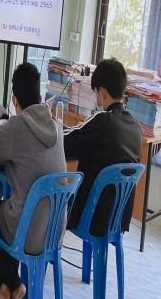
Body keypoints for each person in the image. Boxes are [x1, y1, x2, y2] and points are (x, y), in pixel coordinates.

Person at [0, 62, 66, 299]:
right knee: (2, 214)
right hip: (55, 231)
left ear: (14, 100)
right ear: (40, 97)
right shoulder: (57, 127)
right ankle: (5, 287)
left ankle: (11, 285)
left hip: (29, 232)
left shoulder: (16, 126)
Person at [64, 58, 142, 236]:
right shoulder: (135, 126)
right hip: (118, 218)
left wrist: (52, 126)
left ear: (102, 92)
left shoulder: (102, 120)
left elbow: (65, 141)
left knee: (51, 200)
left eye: (95, 92)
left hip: (91, 217)